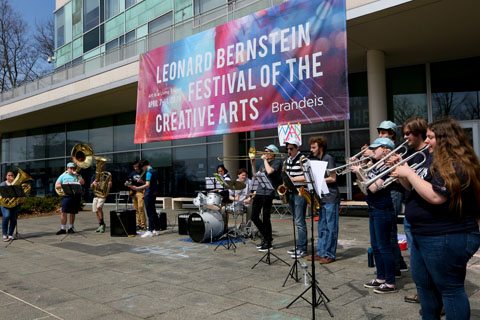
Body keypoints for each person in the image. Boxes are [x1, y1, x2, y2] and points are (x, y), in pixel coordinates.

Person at [391, 118, 480, 319]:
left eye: (431, 137)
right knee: (424, 286)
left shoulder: (455, 164)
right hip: (423, 233)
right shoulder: (432, 161)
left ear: (446, 139)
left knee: (450, 289)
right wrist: (403, 171)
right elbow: (413, 188)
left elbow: (436, 196)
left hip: (446, 235)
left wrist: (409, 172)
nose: (427, 141)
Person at [351, 138, 398, 294]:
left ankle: (390, 282)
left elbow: (373, 188)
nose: (373, 150)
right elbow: (364, 187)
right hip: (373, 208)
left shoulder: (388, 166)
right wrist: (359, 171)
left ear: (385, 149)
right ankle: (381, 278)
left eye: (375, 148)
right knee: (376, 246)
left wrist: (360, 172)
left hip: (383, 210)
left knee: (384, 247)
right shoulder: (376, 164)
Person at [377, 120, 409, 275]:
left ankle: (395, 265)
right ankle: (399, 262)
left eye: (384, 132)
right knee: (389, 230)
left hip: (395, 190)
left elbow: (398, 175)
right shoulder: (382, 149)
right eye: (380, 132)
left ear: (392, 134)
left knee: (389, 229)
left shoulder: (396, 151)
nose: (381, 135)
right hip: (386, 191)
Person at [306, 136, 340, 264]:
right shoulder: (317, 160)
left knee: (331, 227)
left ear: (321, 148)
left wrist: (317, 180)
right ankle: (320, 252)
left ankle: (330, 254)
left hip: (331, 197)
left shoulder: (328, 159)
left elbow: (333, 178)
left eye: (314, 147)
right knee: (322, 227)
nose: (311, 150)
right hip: (322, 198)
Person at [250, 144, 282, 251]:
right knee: (253, 216)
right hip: (259, 192)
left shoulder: (276, 162)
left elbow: (270, 172)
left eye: (267, 151)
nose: (264, 153)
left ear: (273, 153)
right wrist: (253, 164)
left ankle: (267, 241)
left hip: (268, 192)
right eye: (265, 151)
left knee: (266, 217)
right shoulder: (264, 164)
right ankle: (267, 237)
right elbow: (255, 177)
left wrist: (264, 160)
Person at [284, 136, 309, 258]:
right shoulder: (288, 160)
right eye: (287, 148)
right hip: (291, 192)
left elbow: (308, 176)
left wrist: (293, 179)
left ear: (297, 147)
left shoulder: (303, 159)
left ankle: (302, 248)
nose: (289, 151)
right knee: (296, 220)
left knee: (300, 221)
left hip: (300, 192)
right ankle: (299, 246)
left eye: (291, 148)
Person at [132, 159, 160, 238]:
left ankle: (150, 230)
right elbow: (157, 183)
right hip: (154, 193)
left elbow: (147, 185)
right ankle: (157, 229)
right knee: (153, 211)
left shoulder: (148, 172)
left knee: (149, 212)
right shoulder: (154, 171)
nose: (142, 170)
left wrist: (137, 188)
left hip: (149, 193)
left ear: (144, 166)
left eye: (142, 168)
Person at [55, 162, 85, 234]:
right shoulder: (63, 176)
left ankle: (70, 227)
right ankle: (63, 228)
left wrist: (77, 175)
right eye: (70, 168)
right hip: (66, 196)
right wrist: (63, 185)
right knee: (63, 212)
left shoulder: (77, 176)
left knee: (72, 212)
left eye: (73, 168)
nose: (72, 169)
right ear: (67, 169)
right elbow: (57, 186)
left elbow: (82, 183)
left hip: (75, 196)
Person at [1, 171, 22, 241]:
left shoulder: (17, 185)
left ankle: (10, 234)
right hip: (5, 205)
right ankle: (4, 234)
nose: (10, 177)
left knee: (13, 219)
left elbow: (20, 196)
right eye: (9, 175)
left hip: (14, 204)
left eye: (12, 175)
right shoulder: (2, 184)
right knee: (6, 216)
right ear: (6, 177)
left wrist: (21, 199)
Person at [126, 161, 146, 230]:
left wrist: (142, 182)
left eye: (137, 166)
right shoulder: (132, 173)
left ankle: (143, 225)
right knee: (136, 209)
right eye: (134, 167)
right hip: (133, 192)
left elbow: (148, 183)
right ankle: (138, 224)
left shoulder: (144, 173)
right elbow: (129, 181)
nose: (136, 168)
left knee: (141, 208)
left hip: (141, 192)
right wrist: (128, 184)